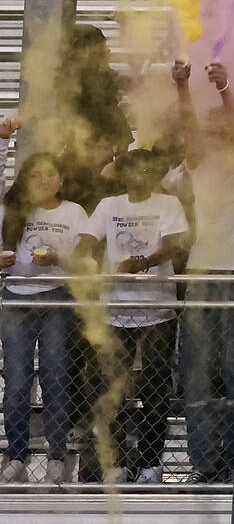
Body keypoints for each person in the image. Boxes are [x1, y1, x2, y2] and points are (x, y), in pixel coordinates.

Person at [81, 146, 188, 484]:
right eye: (133, 170)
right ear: (123, 173)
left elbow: (173, 244)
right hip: (115, 310)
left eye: (146, 170)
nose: (139, 176)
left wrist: (141, 263)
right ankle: (115, 464)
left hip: (157, 309)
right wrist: (88, 260)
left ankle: (150, 465)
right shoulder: (108, 205)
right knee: (111, 390)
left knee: (155, 390)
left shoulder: (168, 204)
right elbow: (84, 240)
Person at [1, 142, 88, 483]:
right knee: (18, 382)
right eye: (35, 174)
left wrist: (58, 260)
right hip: (17, 299)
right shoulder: (13, 208)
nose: (43, 180)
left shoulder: (74, 212)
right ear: (24, 179)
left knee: (55, 378)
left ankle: (56, 454)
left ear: (60, 178)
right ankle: (17, 454)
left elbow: (83, 260)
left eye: (50, 173)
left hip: (57, 299)